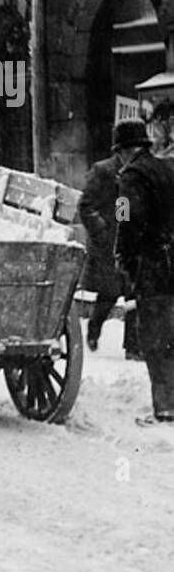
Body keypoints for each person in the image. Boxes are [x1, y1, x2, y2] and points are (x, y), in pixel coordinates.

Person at [114, 118, 174, 426]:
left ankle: (166, 409)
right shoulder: (168, 168)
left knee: (156, 338)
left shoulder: (129, 178)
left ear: (124, 151)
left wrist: (123, 254)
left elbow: (126, 218)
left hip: (154, 266)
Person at [79, 142, 140, 358]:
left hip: (131, 242)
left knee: (135, 294)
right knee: (110, 293)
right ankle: (95, 328)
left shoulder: (138, 172)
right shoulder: (102, 171)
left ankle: (133, 347)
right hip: (106, 244)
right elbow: (85, 206)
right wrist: (101, 230)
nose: (133, 155)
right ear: (120, 151)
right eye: (130, 150)